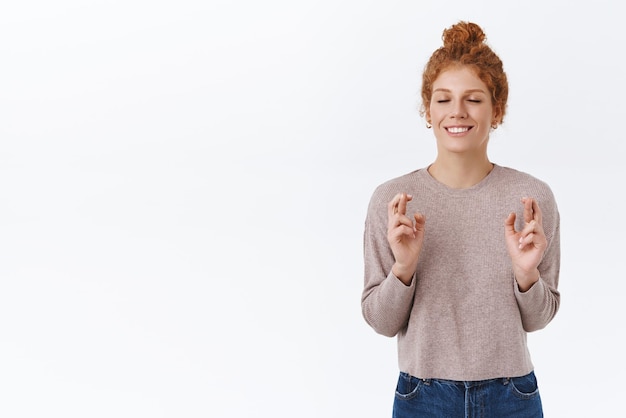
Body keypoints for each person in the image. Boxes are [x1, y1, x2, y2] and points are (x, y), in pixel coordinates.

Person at [361, 21, 560, 418]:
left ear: (496, 109)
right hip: (422, 397)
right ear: (428, 110)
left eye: (473, 99)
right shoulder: (394, 201)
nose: (457, 112)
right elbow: (380, 321)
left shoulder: (532, 199)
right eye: (443, 99)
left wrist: (526, 275)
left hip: (512, 396)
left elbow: (540, 318)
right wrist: (403, 268)